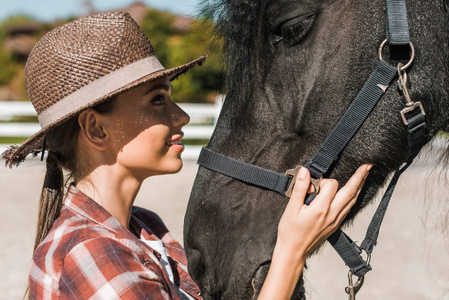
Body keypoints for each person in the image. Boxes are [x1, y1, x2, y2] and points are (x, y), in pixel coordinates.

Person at [2, 11, 371, 300]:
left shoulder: (143, 227)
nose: (181, 116)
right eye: (158, 100)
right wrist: (291, 252)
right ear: (96, 129)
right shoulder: (89, 254)